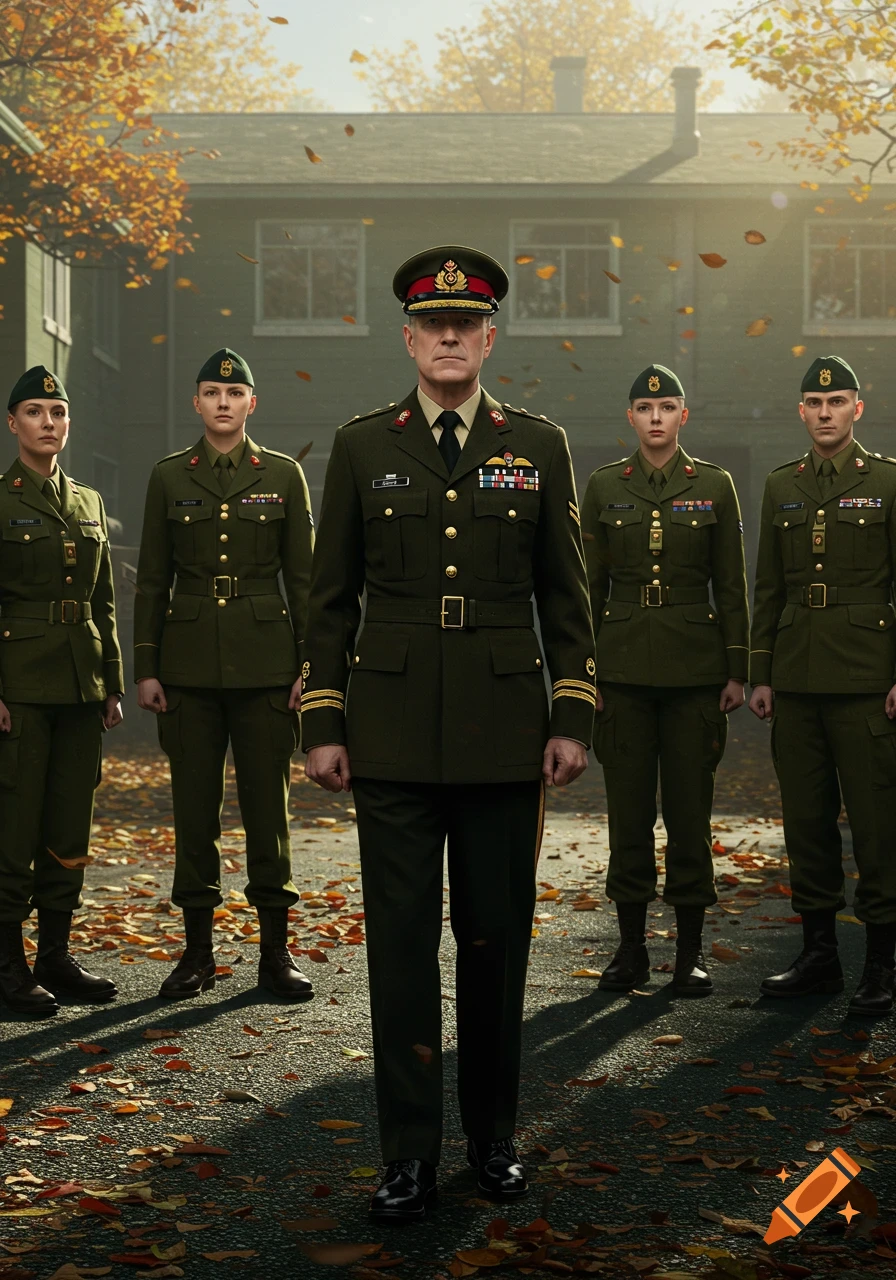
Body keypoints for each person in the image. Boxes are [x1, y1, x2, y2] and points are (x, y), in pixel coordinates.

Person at [301, 247, 596, 1222]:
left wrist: (570, 713)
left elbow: (565, 596)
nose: (449, 338)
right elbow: (330, 601)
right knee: (399, 951)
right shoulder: (361, 446)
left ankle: (493, 1139)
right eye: (434, 325)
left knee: (494, 945)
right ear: (409, 339)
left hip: (504, 732)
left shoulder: (538, 445)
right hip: (388, 733)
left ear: (488, 339)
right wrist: (323, 719)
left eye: (465, 324)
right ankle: (408, 1154)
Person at [134, 348, 315, 1002]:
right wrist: (146, 667)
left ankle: (275, 955)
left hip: (267, 669)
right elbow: (152, 580)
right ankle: (197, 956)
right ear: (197, 403)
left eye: (234, 394)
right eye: (212, 392)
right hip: (187, 670)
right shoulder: (168, 477)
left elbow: (305, 582)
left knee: (269, 816)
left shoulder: (284, 475)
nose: (222, 403)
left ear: (251, 404)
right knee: (193, 817)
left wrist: (309, 668)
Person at [581, 365, 749, 998]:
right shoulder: (604, 485)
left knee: (689, 816)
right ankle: (629, 950)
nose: (656, 417)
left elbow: (730, 582)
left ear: (683, 415)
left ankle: (689, 953)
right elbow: (588, 588)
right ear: (630, 417)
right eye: (645, 408)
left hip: (694, 673)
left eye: (668, 406)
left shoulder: (714, 484)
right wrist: (583, 674)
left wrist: (737, 667)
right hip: (621, 669)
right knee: (627, 817)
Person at [750, 355, 896, 1017]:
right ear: (802, 411)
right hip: (797, 680)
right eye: (815, 402)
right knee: (806, 823)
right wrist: (761, 673)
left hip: (867, 680)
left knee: (876, 826)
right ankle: (819, 958)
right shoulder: (781, 484)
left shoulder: (887, 482)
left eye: (837, 401)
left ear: (857, 408)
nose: (826, 412)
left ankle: (882, 965)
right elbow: (768, 588)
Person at [0, 366, 123, 1016]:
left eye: (57, 412)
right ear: (13, 423)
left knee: (69, 823)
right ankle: (6, 964)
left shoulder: (89, 503)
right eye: (34, 412)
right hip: (19, 685)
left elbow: (103, 602)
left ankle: (54, 955)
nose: (48, 422)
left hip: (81, 685)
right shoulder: (1, 500)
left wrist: (111, 682)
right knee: (14, 826)